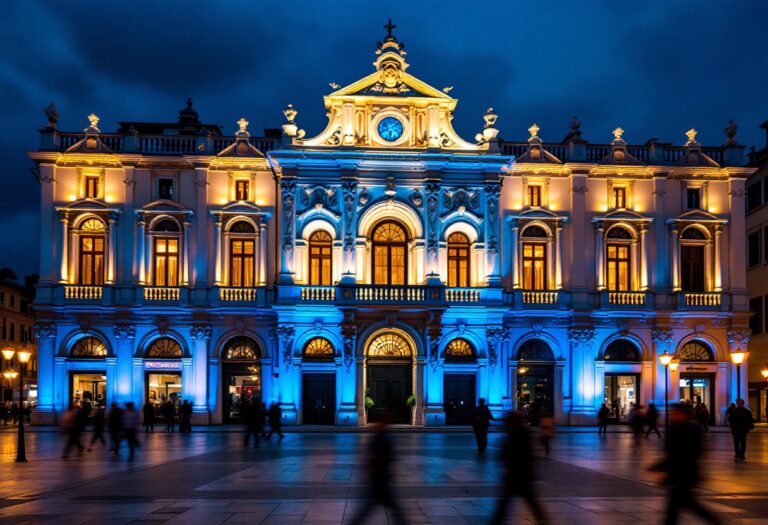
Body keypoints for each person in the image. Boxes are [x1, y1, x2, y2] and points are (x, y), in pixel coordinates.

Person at [651, 403, 721, 525]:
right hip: (679, 474)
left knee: (679, 507)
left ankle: (717, 522)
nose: (672, 415)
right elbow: (672, 453)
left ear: (684, 414)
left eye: (675, 412)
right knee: (681, 506)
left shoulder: (690, 429)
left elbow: (683, 454)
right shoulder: (676, 427)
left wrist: (658, 467)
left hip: (685, 474)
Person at [490, 412, 548, 525]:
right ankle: (542, 520)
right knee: (528, 501)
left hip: (517, 475)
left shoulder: (517, 434)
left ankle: (496, 522)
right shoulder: (520, 432)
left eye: (507, 422)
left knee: (506, 503)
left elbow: (515, 453)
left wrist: (506, 460)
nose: (505, 424)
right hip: (521, 474)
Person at [349, 412, 407, 525]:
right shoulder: (381, 436)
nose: (390, 422)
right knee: (389, 507)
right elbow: (377, 456)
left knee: (369, 508)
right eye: (387, 419)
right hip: (380, 479)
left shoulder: (379, 435)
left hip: (379, 479)